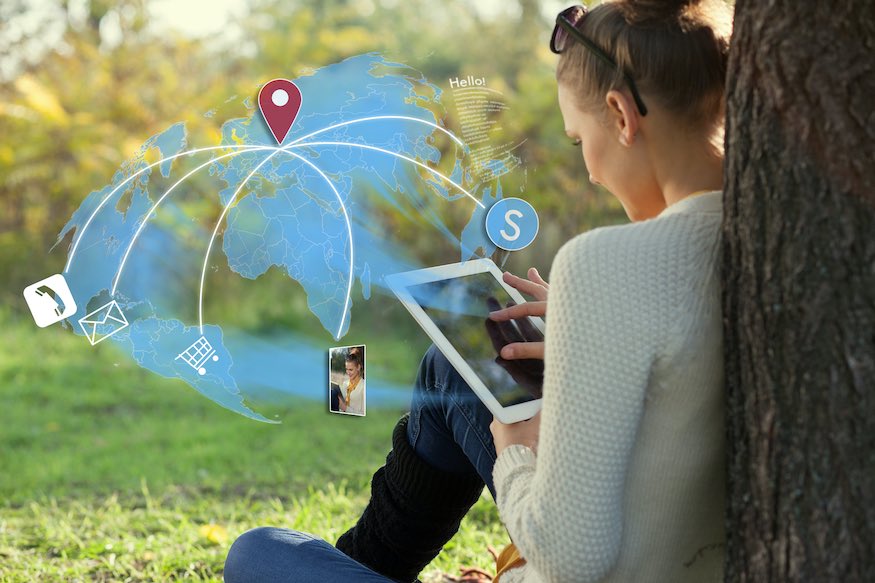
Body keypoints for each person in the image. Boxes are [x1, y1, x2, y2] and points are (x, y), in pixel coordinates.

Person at [224, 0, 730, 581]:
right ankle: (362, 563)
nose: (589, 169)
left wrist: (515, 446)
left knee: (258, 554)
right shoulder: (765, 240)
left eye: (576, 139)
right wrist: (576, 331)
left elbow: (571, 556)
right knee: (455, 365)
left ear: (620, 115)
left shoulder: (603, 262)